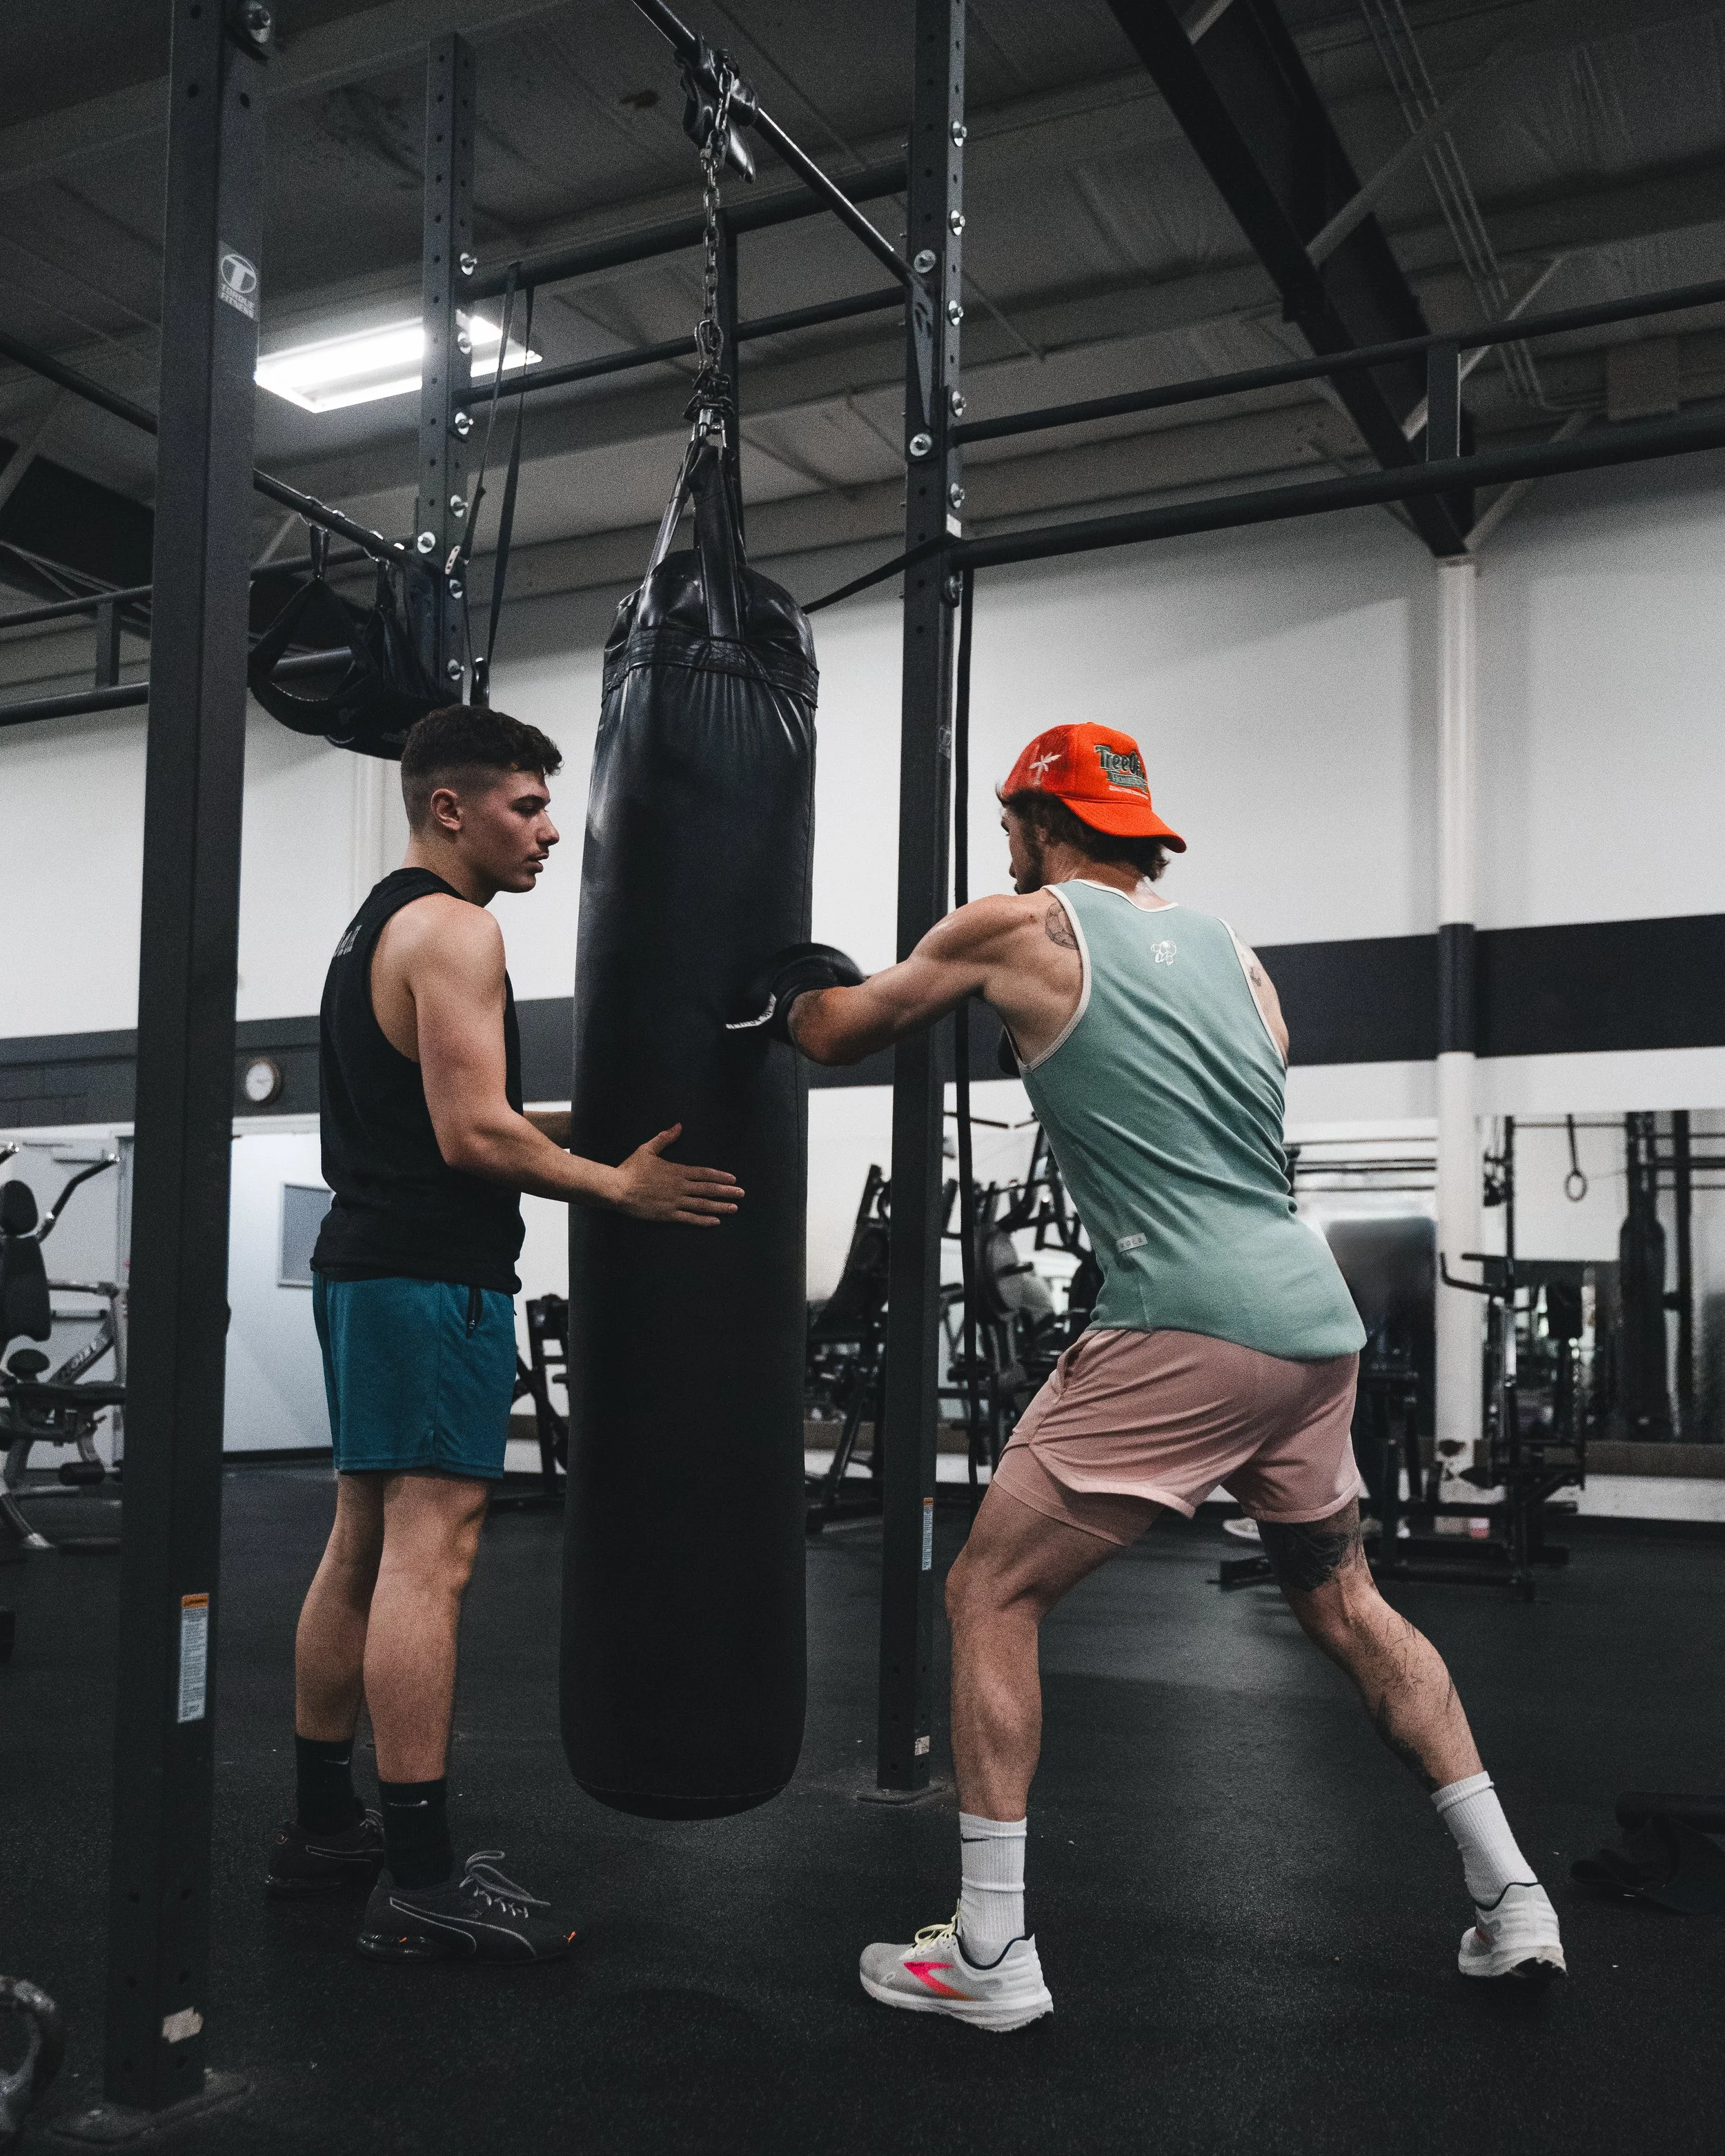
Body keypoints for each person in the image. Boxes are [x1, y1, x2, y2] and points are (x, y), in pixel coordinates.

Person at [774, 720, 1564, 2030]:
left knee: (988, 1594)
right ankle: (1513, 1898)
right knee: (1349, 1602)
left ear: (1036, 825)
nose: (1008, 846)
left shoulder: (1013, 928)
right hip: (1312, 1323)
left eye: (1011, 825)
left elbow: (833, 1032)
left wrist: (785, 979)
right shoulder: (1242, 961)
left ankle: (987, 1953)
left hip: (1181, 1319)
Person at [266, 704, 742, 1962]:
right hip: (432, 1280)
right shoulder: (459, 928)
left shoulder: (382, 923)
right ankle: (420, 1875)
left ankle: (325, 1828)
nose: (548, 831)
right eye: (528, 807)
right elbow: (472, 1135)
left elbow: (454, 1098)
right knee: (435, 1556)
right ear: (450, 808)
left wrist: (608, 1115)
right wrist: (620, 1186)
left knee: (362, 1544)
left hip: (367, 1269)